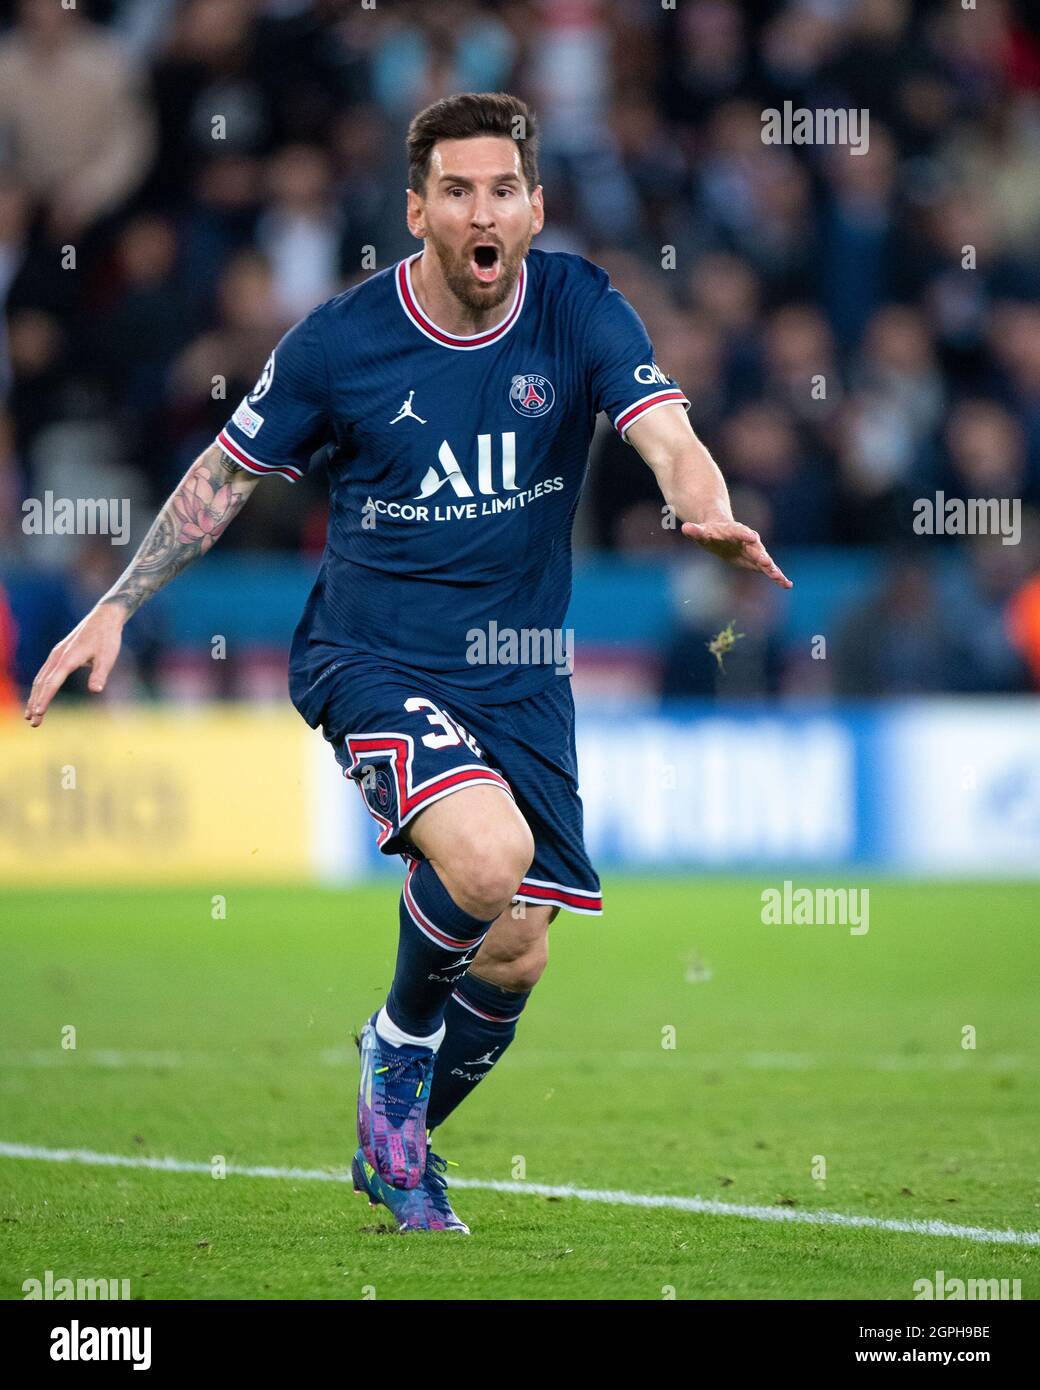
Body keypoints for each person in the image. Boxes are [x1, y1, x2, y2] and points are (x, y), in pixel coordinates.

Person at [25, 92, 790, 1234]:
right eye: (454, 190)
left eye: (500, 190)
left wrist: (705, 510)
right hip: (372, 655)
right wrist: (119, 602)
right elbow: (224, 477)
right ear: (416, 210)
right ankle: (393, 1049)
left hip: (520, 674)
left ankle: (399, 1143)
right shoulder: (342, 342)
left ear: (534, 207)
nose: (479, 210)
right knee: (486, 859)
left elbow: (665, 436)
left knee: (519, 948)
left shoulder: (579, 306)